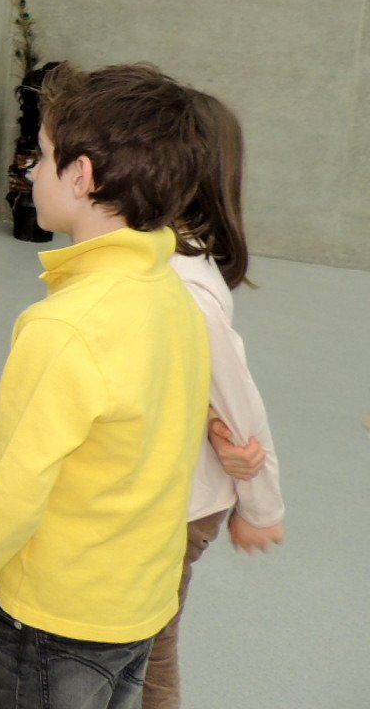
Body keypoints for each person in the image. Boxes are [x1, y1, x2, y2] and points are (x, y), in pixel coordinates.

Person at [0, 63, 211, 709]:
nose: (30, 171)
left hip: (55, 620)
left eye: (43, 155)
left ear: (81, 176)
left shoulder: (63, 327)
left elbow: (13, 487)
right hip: (138, 604)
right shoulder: (174, 298)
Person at [143, 90, 285, 709]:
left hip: (181, 505)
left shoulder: (185, 287)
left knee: (150, 648)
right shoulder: (154, 261)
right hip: (162, 492)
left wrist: (260, 507)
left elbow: (239, 408)